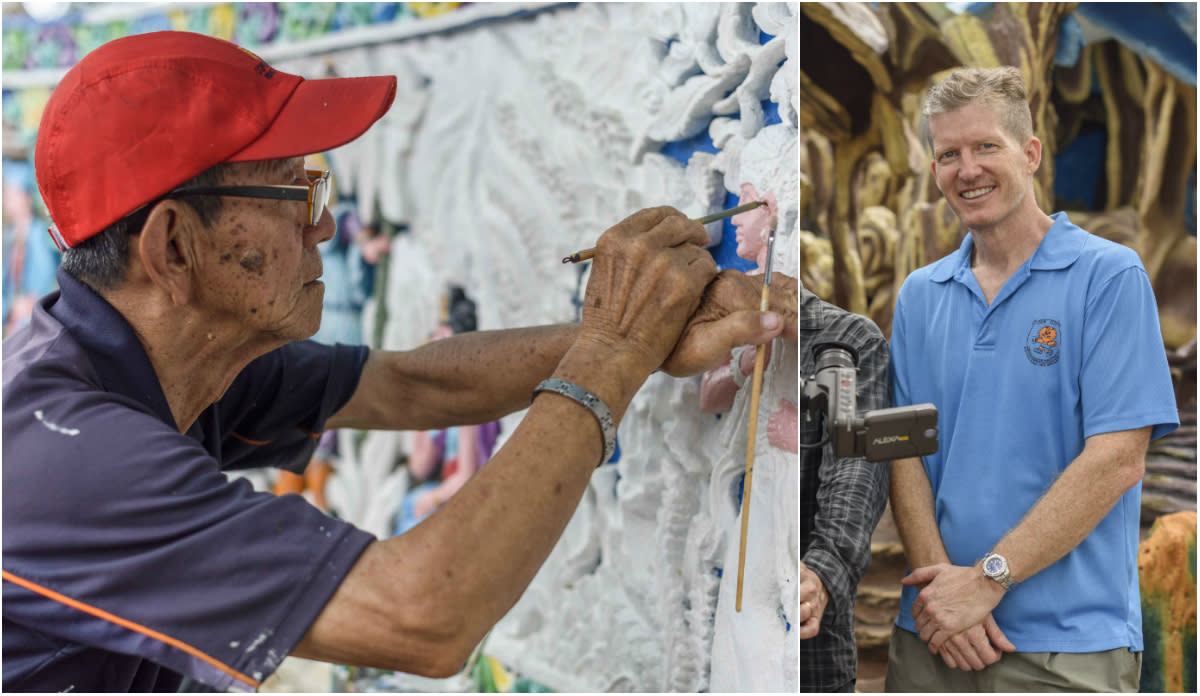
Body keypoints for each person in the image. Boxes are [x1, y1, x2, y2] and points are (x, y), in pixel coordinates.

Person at [1, 31, 792, 692]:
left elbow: (412, 381)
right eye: (296, 195)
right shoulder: (62, 460)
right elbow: (423, 615)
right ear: (173, 246)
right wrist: (613, 354)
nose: (325, 230)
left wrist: (648, 336)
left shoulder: (161, 354)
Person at [885, 66, 1180, 692]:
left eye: (986, 146)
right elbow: (903, 451)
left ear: (1031, 153)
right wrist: (945, 597)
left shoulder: (1109, 277)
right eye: (948, 155)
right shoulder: (918, 295)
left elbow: (1117, 461)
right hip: (933, 640)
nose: (968, 170)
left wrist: (987, 580)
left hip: (1066, 650)